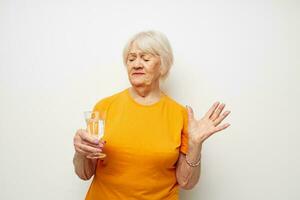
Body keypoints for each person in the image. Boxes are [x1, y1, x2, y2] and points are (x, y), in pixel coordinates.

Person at [73, 30, 231, 200]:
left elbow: (186, 182)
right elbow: (85, 173)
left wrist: (194, 145)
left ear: (163, 65)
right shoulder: (104, 107)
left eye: (145, 58)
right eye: (131, 59)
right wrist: (80, 152)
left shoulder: (180, 115)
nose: (136, 64)